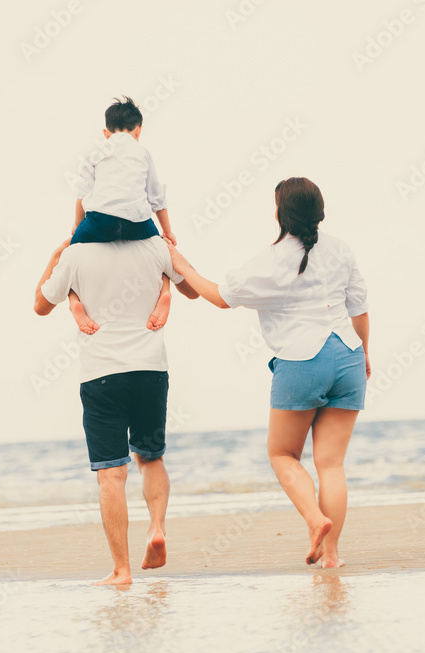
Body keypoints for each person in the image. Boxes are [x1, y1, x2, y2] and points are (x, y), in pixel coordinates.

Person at [164, 177, 370, 568]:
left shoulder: (273, 258)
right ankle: (333, 557)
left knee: (282, 454)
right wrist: (365, 354)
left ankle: (315, 520)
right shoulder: (341, 250)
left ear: (280, 213)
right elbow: (358, 309)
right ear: (320, 210)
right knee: (332, 464)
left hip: (301, 361)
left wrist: (181, 265)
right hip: (348, 357)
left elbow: (221, 297)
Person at [34, 234, 199, 585]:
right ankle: (156, 527)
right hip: (150, 370)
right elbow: (195, 288)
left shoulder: (75, 255)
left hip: (102, 374)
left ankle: (122, 571)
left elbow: (39, 304)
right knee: (151, 458)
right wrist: (166, 284)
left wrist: (55, 258)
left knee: (111, 475)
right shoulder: (155, 246)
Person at [67, 96, 178, 336]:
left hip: (100, 221)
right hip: (137, 223)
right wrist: (166, 233)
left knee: (69, 257)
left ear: (105, 133)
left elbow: (82, 194)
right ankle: (165, 293)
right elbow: (157, 197)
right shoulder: (143, 152)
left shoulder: (95, 151)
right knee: (162, 252)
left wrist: (77, 228)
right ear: (139, 131)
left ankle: (75, 302)